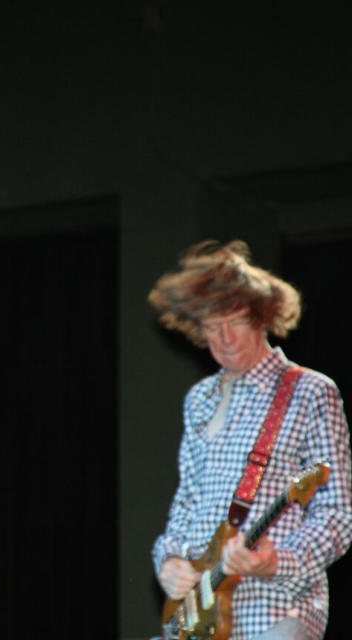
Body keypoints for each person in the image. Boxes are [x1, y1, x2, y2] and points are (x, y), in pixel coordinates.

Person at [149, 240, 352, 640]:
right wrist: (169, 561)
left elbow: (338, 514)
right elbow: (187, 501)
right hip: (203, 616)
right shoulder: (199, 399)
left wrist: (278, 561)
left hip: (274, 608)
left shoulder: (309, 391)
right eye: (211, 327)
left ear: (262, 316)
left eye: (235, 321)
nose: (224, 338)